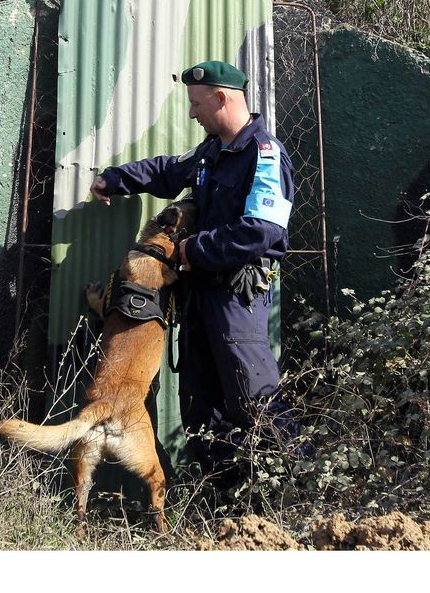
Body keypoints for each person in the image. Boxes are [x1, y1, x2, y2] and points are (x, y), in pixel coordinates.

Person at [89, 60, 300, 478]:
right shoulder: (212, 151)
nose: (192, 112)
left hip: (237, 296)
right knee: (201, 406)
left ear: (221, 98)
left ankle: (301, 489)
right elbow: (169, 170)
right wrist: (114, 180)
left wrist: (192, 249)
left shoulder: (265, 155)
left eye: (196, 103)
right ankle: (224, 505)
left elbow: (262, 229)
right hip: (199, 296)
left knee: (253, 398)